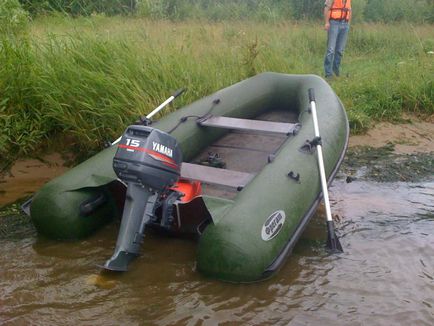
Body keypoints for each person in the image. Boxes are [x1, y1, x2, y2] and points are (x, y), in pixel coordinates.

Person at [323, 0, 352, 78]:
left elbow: (350, 10)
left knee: (340, 50)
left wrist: (348, 24)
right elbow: (326, 8)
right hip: (334, 23)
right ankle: (328, 73)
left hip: (345, 24)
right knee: (331, 49)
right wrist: (326, 22)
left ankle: (336, 72)